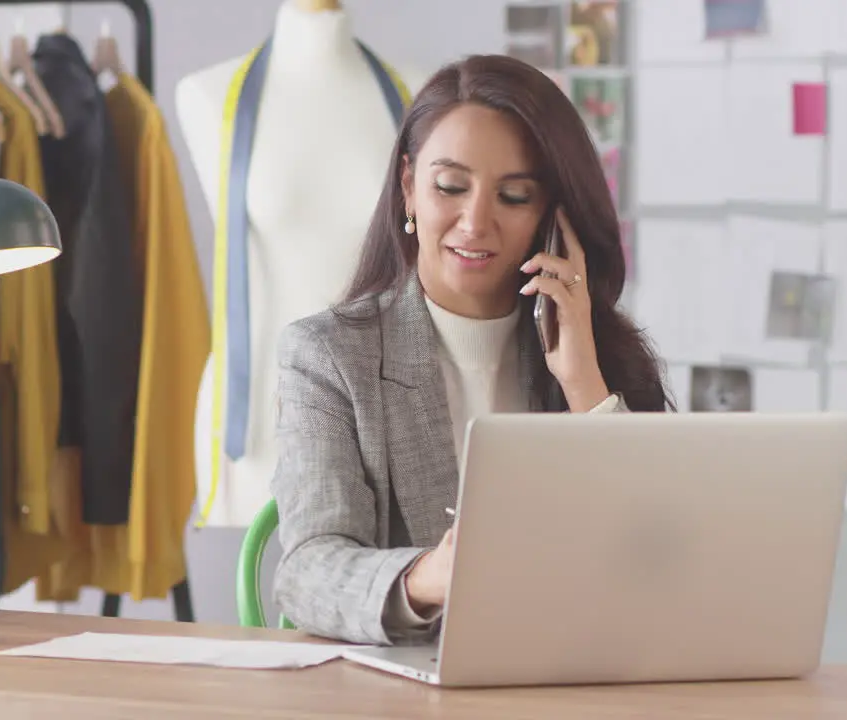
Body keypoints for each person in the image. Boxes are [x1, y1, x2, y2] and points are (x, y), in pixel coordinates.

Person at [268, 54, 673, 647]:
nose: (475, 221)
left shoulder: (598, 356)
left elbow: (662, 553)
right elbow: (307, 573)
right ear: (409, 187)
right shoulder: (328, 355)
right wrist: (431, 574)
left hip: (577, 683)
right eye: (450, 187)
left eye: (513, 196)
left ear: (550, 217)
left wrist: (583, 380)